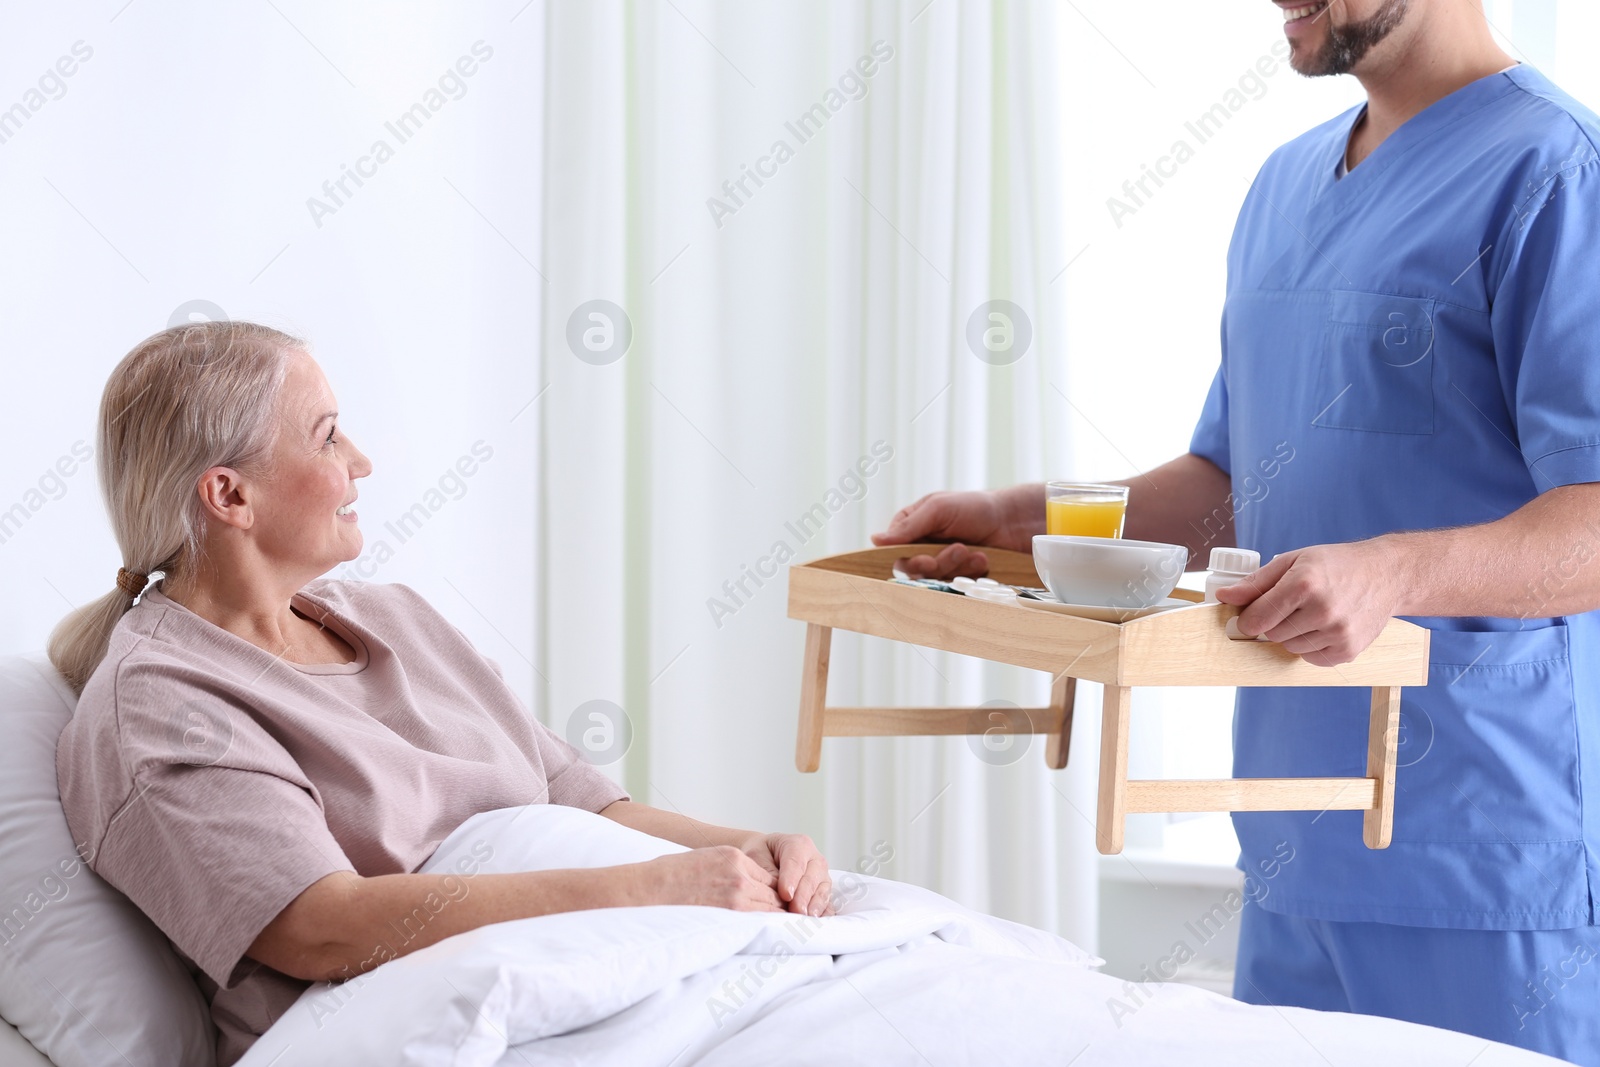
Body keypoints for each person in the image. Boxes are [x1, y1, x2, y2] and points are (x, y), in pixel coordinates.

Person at [873, 0, 1600, 1062]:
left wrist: (1391, 570)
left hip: (1482, 857)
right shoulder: (1281, 188)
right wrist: (1016, 520)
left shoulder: (1554, 173)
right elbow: (1231, 484)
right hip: (1291, 837)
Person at [51, 322, 835, 1067]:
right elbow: (317, 928)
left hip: (622, 965)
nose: (360, 459)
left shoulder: (396, 615)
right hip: (445, 1020)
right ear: (229, 495)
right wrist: (653, 889)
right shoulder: (162, 702)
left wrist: (738, 848)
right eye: (326, 435)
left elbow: (583, 801)